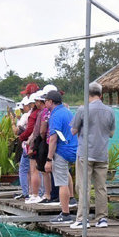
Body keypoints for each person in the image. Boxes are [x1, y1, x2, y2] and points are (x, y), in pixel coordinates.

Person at [71, 82, 116, 229]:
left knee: (83, 187)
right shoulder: (109, 111)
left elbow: (73, 130)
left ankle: (82, 219)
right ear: (101, 95)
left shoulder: (83, 109)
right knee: (101, 188)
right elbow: (111, 133)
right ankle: (102, 219)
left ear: (87, 94)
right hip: (102, 153)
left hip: (85, 153)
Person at [43, 90, 78, 224]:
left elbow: (53, 138)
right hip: (74, 149)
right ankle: (72, 199)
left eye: (46, 100)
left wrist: (49, 159)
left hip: (62, 151)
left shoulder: (55, 115)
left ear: (51, 102)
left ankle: (65, 214)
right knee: (66, 175)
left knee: (61, 182)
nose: (45, 102)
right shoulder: (68, 112)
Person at [26, 91, 53, 204]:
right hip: (50, 142)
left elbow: (39, 131)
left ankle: (37, 194)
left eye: (36, 101)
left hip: (43, 143)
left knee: (36, 170)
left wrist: (32, 145)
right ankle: (43, 194)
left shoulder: (43, 113)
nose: (35, 103)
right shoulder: (59, 111)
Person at [14, 97, 35, 200]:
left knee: (24, 170)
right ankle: (33, 192)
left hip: (28, 145)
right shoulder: (41, 113)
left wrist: (13, 121)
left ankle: (27, 193)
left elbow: (17, 130)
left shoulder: (28, 115)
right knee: (33, 170)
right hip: (35, 144)